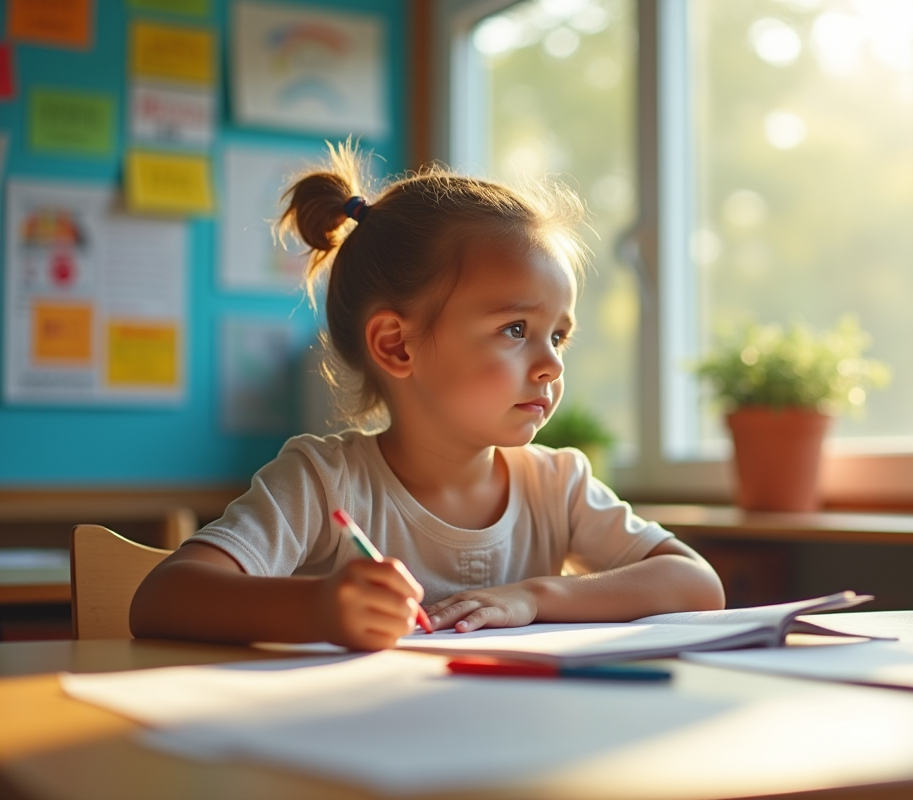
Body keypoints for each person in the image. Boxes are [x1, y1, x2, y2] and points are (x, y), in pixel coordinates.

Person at [130, 143, 725, 650]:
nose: (550, 365)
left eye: (559, 336)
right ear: (398, 345)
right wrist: (318, 609)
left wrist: (534, 597)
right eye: (515, 330)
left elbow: (696, 583)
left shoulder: (558, 486)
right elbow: (162, 598)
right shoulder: (323, 482)